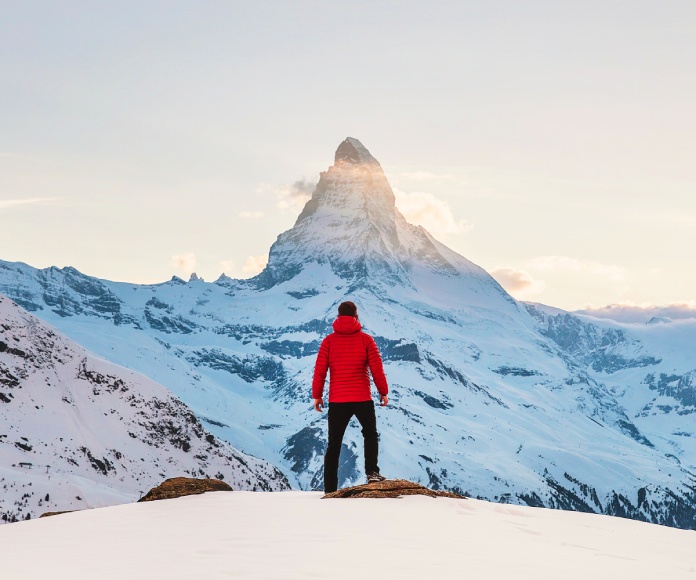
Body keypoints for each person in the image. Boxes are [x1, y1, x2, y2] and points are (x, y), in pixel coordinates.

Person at [312, 301, 389, 493]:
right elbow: (377, 369)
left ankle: (330, 488)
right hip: (362, 397)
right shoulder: (366, 340)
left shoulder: (328, 341)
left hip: (338, 400)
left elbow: (320, 371)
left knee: (334, 443)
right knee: (370, 434)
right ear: (356, 316)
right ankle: (372, 472)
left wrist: (317, 396)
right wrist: (383, 392)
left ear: (338, 316)